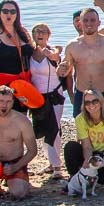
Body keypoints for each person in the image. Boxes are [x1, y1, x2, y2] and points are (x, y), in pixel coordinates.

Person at [58, 8, 104, 118]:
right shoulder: (72, 46)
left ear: (99, 23)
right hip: (82, 93)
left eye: (92, 20)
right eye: (85, 20)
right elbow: (64, 70)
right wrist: (60, 70)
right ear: (80, 23)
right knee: (81, 127)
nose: (89, 23)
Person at [0, 0, 35, 111]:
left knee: (21, 117)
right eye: (5, 11)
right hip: (4, 86)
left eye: (12, 11)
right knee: (5, 118)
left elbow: (34, 52)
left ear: (17, 14)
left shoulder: (23, 32)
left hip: (24, 84)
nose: (8, 14)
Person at [63, 89, 104, 190]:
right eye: (87, 102)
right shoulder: (80, 119)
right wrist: (88, 162)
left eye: (95, 101)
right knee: (71, 147)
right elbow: (86, 146)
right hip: (90, 154)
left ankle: (96, 178)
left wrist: (100, 164)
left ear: (101, 103)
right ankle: (75, 177)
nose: (91, 105)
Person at [29, 22, 65, 179]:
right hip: (37, 98)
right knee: (43, 130)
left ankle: (57, 167)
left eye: (43, 31)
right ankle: (51, 162)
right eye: (37, 31)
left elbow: (57, 54)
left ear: (48, 35)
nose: (40, 34)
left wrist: (51, 54)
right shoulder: (29, 54)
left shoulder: (52, 51)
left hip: (54, 95)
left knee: (54, 129)